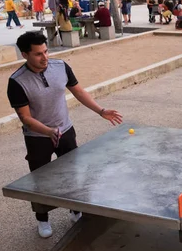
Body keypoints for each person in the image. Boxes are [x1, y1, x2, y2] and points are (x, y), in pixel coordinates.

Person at [7, 31, 123, 238]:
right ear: (25, 55)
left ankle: (75, 210)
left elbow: (78, 91)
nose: (45, 58)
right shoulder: (17, 81)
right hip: (38, 138)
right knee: (41, 180)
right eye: (38, 54)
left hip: (66, 131)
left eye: (46, 51)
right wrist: (48, 130)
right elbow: (25, 117)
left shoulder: (60, 67)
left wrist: (101, 111)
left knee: (72, 174)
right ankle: (42, 219)